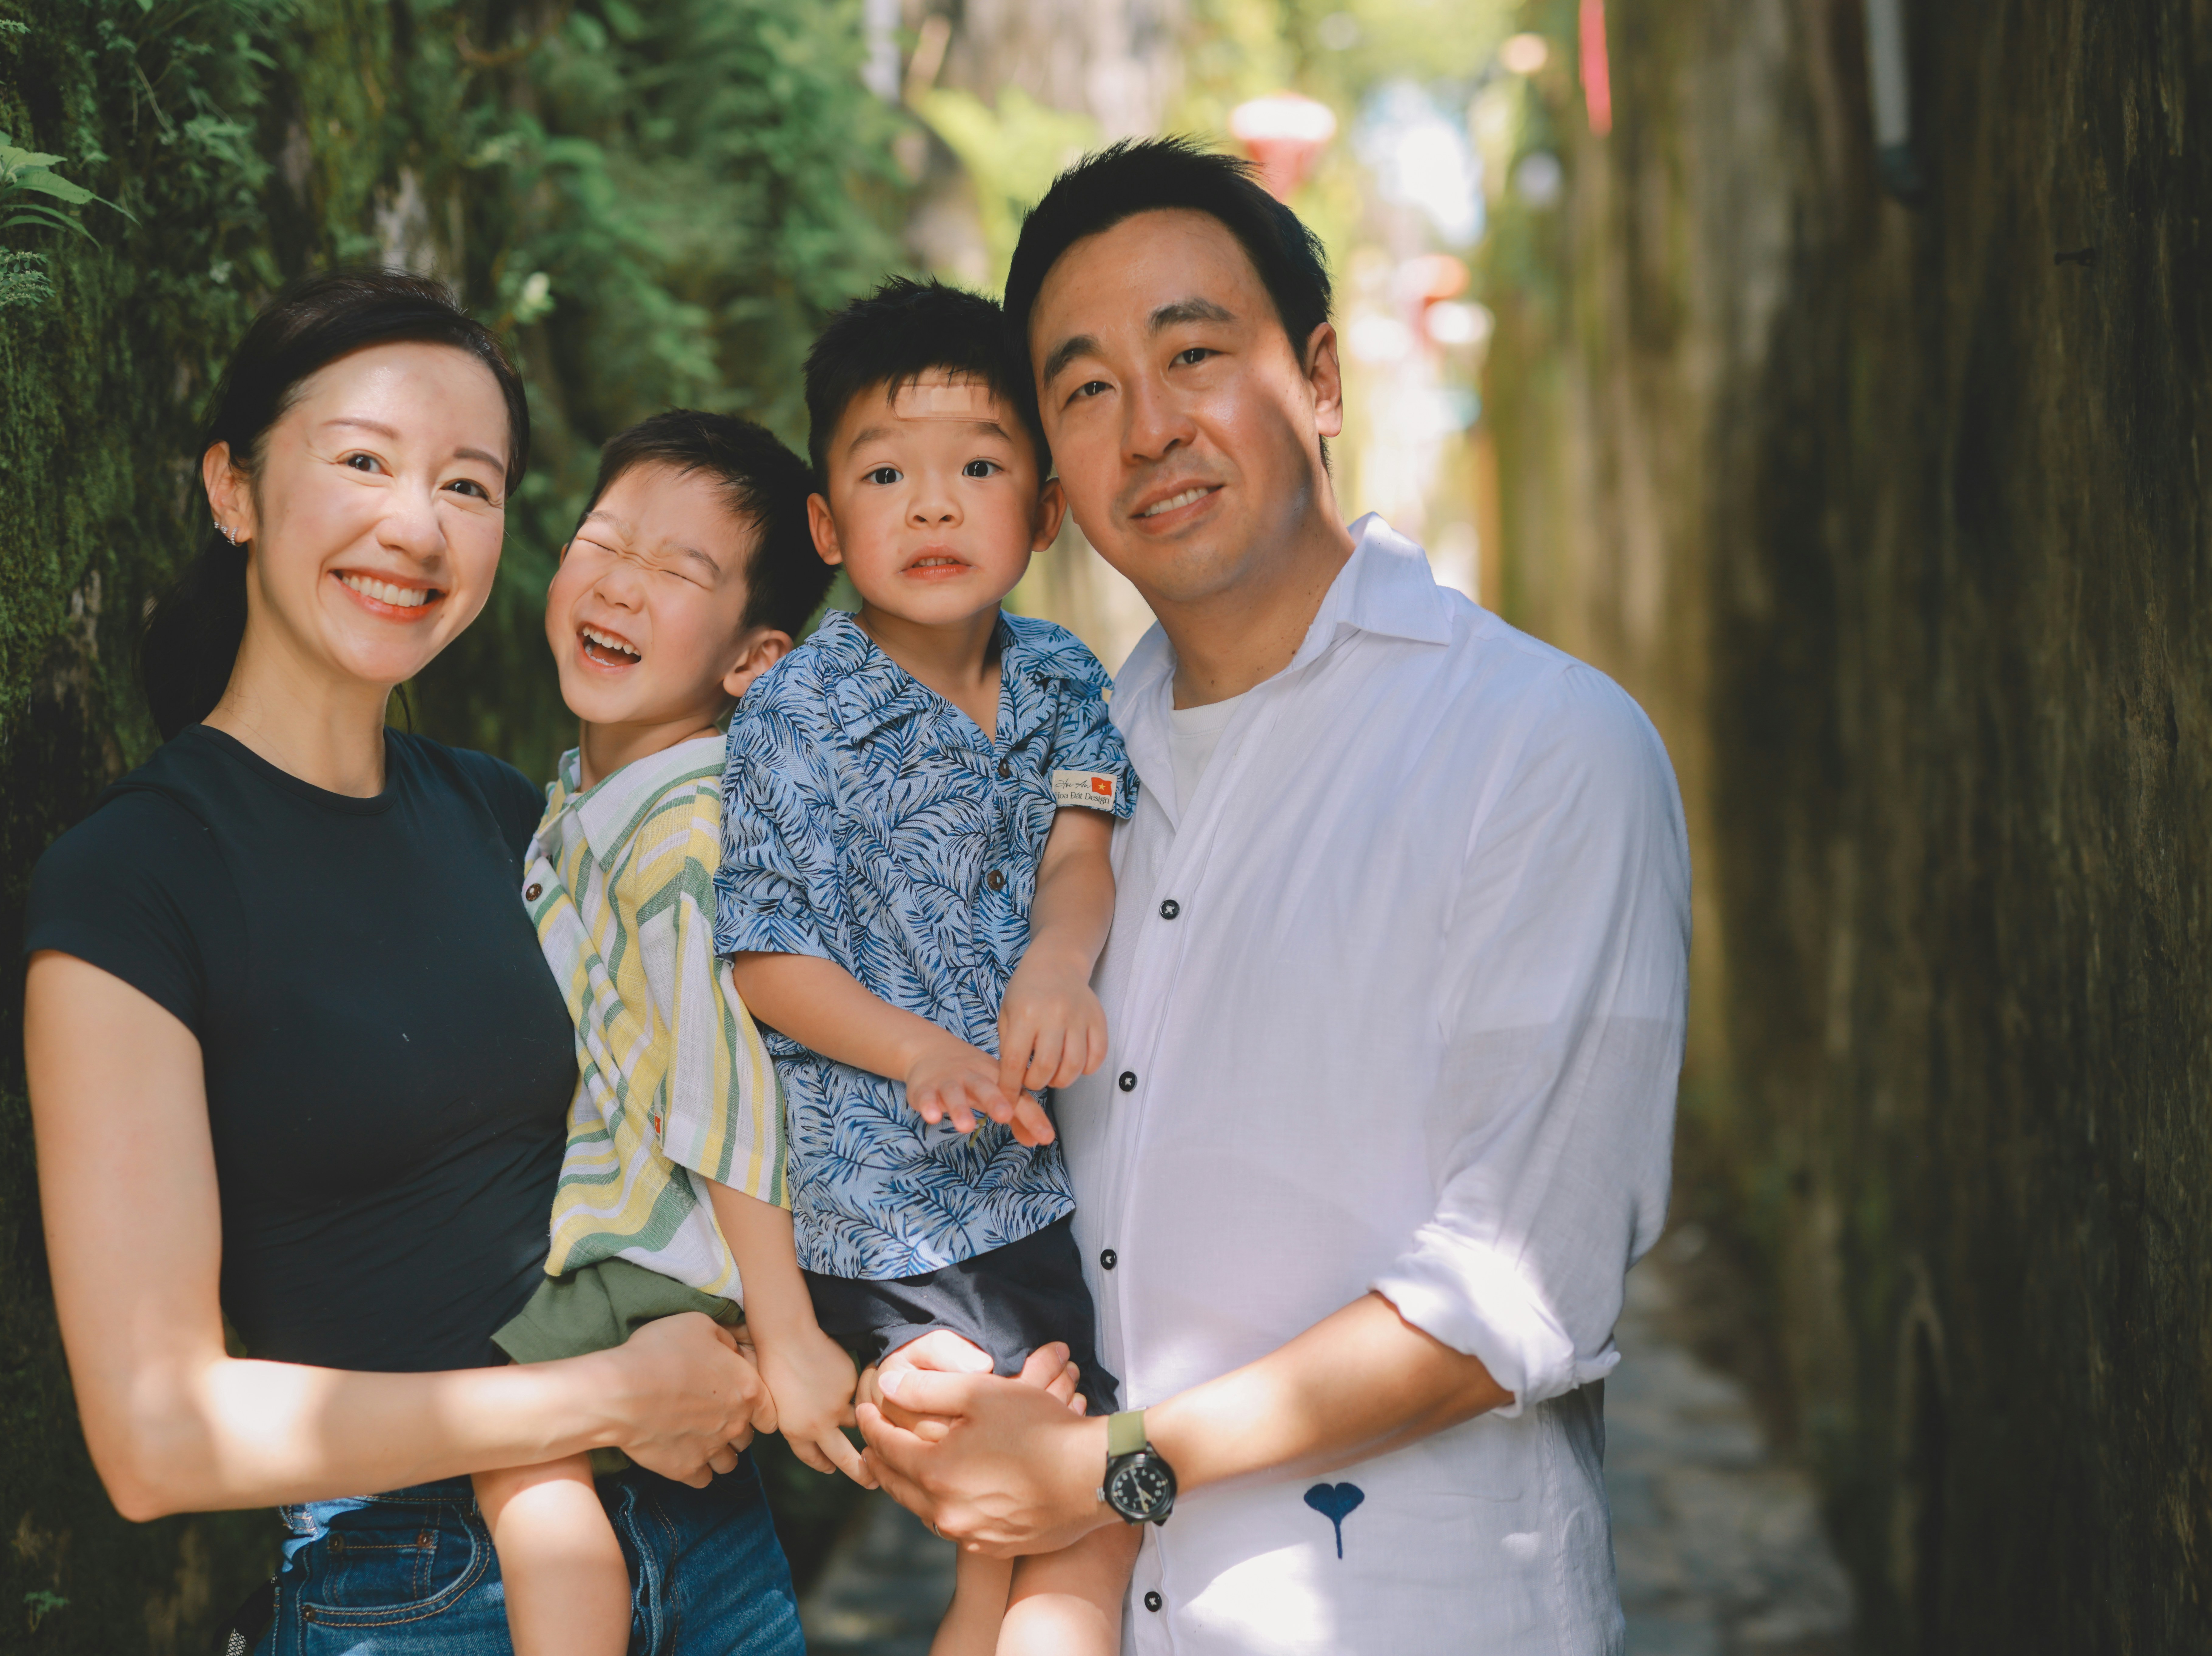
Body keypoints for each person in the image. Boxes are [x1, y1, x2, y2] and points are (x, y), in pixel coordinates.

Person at [855, 140, 1693, 1654]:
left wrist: (1104, 1469)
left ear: (1316, 375)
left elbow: (1515, 1290)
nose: (1151, 427)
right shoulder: (1056, 790)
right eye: (1086, 389)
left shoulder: (1543, 746)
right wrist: (930, 1377)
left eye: (1193, 353)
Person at [22, 270, 772, 1655]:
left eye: (470, 486)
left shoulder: (512, 818)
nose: (414, 526)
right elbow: (155, 1435)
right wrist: (609, 1396)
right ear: (232, 489)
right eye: (362, 461)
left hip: (710, 1544)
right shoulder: (134, 880)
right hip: (421, 1588)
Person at [714, 279, 1141, 1656]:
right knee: (1068, 1507)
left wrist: (1056, 969)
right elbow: (766, 957)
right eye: (887, 474)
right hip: (883, 1204)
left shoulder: (1067, 675)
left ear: (1044, 509)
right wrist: (921, 1051)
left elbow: (1082, 852)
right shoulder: (797, 707)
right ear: (829, 528)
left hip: (1026, 1185)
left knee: (1015, 1536)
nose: (935, 504)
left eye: (977, 467)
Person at [468, 409, 854, 1656]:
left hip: (664, 1237)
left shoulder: (685, 826)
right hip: (662, 1229)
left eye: (680, 569)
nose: (621, 581)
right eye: (603, 539)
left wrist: (786, 1329)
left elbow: (723, 1077)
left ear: (752, 660)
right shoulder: (591, 797)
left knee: (516, 1443)